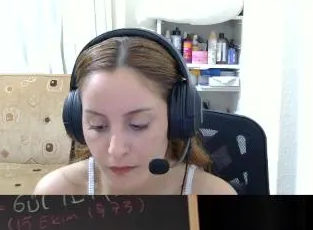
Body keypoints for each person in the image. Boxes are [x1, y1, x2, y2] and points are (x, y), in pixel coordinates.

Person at [35, 28, 238, 195]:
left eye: (138, 125)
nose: (116, 150)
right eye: (98, 126)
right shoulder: (54, 194)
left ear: (176, 118)